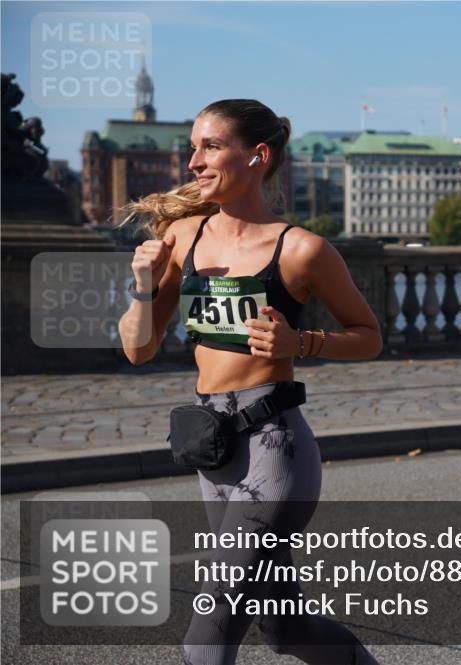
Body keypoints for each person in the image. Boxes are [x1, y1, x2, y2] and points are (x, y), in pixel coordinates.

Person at [117, 99, 382, 665]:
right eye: (194, 147)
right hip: (212, 450)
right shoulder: (184, 239)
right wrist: (142, 288)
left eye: (210, 146)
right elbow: (138, 349)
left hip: (274, 450)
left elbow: (369, 336)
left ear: (258, 156)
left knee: (207, 634)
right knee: (283, 630)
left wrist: (304, 344)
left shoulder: (302, 250)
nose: (194, 162)